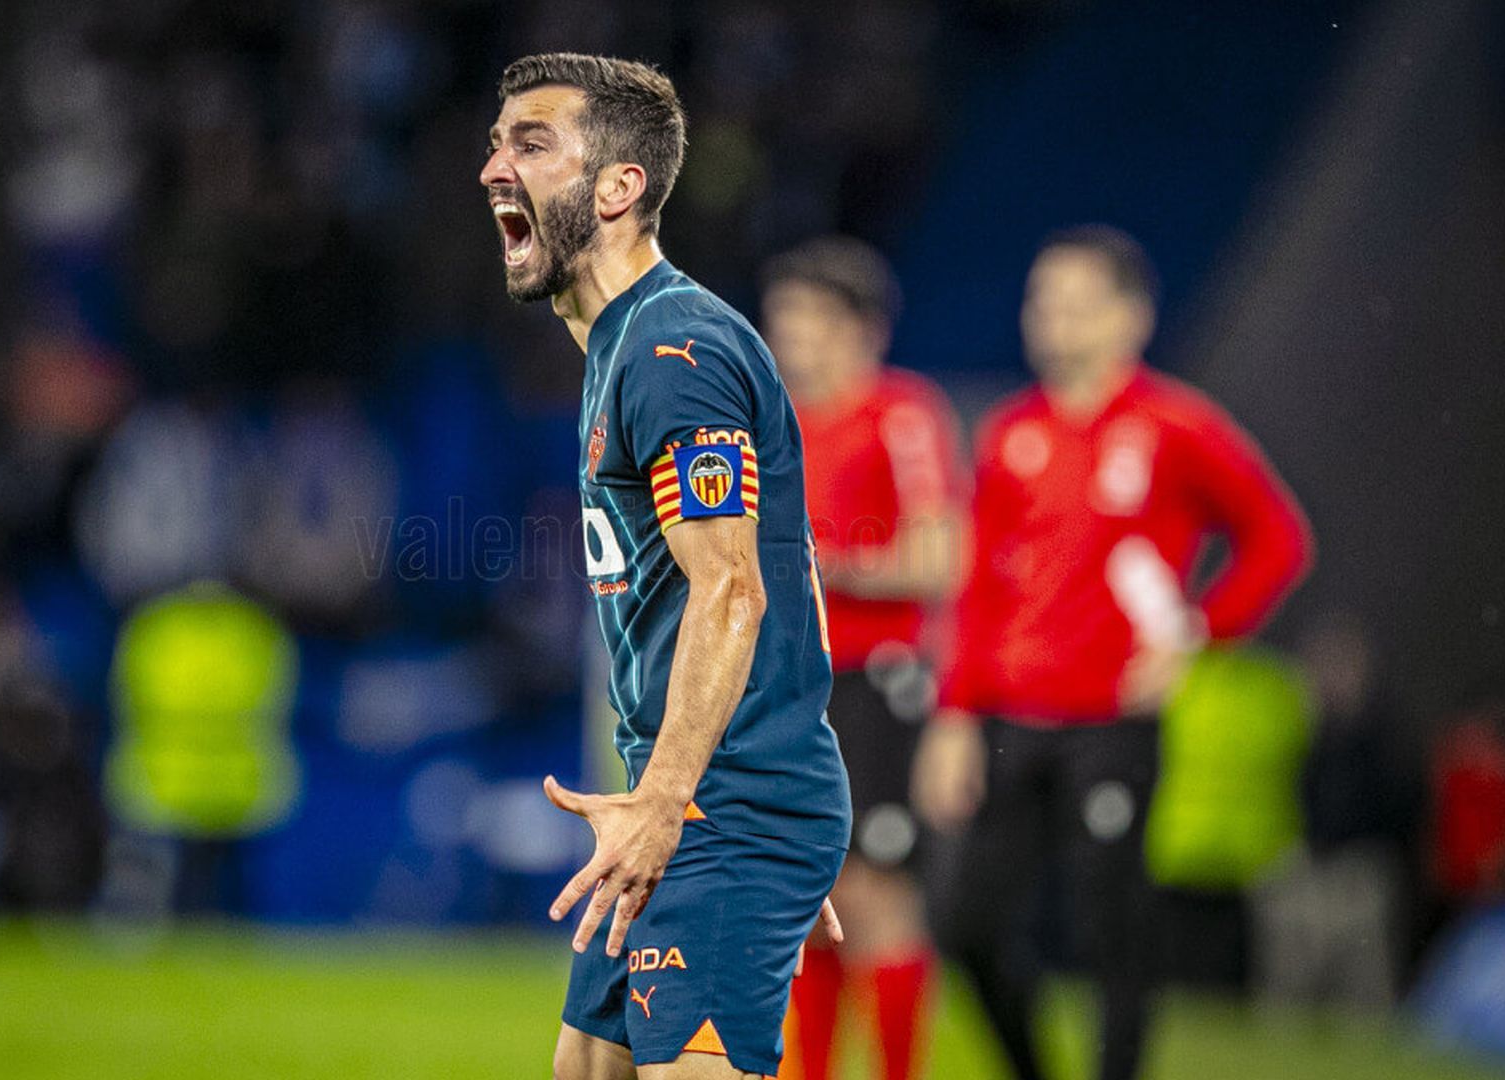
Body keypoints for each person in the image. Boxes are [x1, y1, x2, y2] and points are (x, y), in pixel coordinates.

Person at [479, 54, 851, 1080]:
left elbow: (733, 586)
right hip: (701, 798)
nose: (491, 170)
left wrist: (710, 809)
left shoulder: (670, 352)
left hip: (714, 804)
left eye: (530, 143)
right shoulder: (624, 348)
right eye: (495, 141)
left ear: (618, 187)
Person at [912, 226, 1313, 1080]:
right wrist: (953, 717)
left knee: (1111, 933)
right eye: (1040, 299)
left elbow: (1276, 539)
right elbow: (977, 587)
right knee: (963, 922)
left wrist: (1199, 636)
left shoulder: (1176, 425)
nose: (1051, 318)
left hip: (1112, 724)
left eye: (1075, 301)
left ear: (1131, 316)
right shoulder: (1012, 433)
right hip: (1010, 719)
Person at [762, 237, 965, 1080]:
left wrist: (833, 566)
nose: (789, 335)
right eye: (783, 317)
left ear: (860, 329)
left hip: (875, 682)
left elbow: (942, 557)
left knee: (878, 895)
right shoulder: (772, 421)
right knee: (806, 899)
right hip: (787, 689)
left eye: (807, 316)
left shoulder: (901, 414)